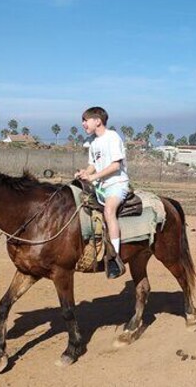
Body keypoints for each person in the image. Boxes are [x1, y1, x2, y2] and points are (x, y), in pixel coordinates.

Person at [75, 106, 129, 279]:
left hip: (116, 184)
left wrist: (94, 176)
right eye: (83, 120)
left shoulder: (112, 137)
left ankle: (114, 257)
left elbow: (116, 165)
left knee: (109, 211)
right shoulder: (93, 142)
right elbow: (93, 164)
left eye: (86, 119)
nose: (83, 123)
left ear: (97, 120)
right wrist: (85, 173)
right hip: (99, 186)